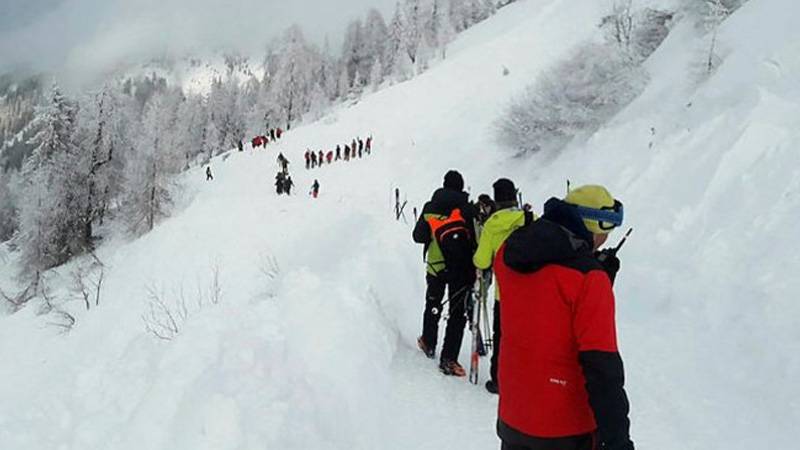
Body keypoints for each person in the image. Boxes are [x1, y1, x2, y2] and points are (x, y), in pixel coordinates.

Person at [494, 185, 632, 450]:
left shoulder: (508, 254)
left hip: (514, 416)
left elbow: (541, 306)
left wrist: (590, 268)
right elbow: (602, 369)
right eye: (606, 230)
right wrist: (618, 441)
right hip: (566, 429)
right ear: (595, 226)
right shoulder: (588, 280)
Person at [412, 170, 477, 377]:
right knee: (457, 314)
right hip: (461, 268)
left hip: (436, 266)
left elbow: (418, 236)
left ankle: (429, 342)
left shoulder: (431, 207)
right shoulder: (467, 209)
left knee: (433, 304)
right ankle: (449, 359)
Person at [472, 179, 532, 395]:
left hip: (504, 292)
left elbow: (482, 261)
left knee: (502, 336)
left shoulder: (492, 225)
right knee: (526, 336)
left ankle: (499, 379)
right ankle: (526, 377)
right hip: (532, 291)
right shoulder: (529, 218)